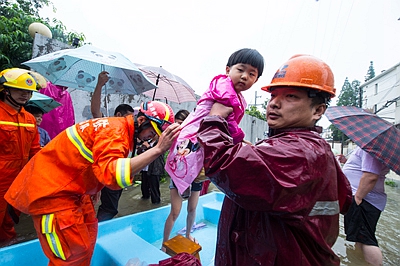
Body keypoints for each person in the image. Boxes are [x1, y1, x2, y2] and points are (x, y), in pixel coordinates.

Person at [197, 54, 353, 265]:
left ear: (317, 110)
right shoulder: (302, 146)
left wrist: (214, 120)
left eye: (291, 97)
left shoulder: (300, 151)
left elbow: (223, 166)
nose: (274, 104)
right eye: (273, 96)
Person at [5, 100, 180, 265]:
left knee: (88, 238)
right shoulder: (115, 132)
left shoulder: (118, 129)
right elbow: (113, 175)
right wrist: (158, 150)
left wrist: (94, 186)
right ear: (141, 120)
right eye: (151, 133)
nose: (149, 139)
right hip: (53, 194)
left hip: (74, 189)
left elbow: (92, 161)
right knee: (70, 254)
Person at [165, 48, 264, 196]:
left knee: (194, 159)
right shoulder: (225, 89)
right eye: (241, 70)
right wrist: (239, 139)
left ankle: (186, 184)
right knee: (188, 155)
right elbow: (230, 122)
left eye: (251, 74)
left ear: (256, 80)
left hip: (205, 128)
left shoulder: (237, 96)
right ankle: (183, 184)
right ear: (228, 70)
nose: (244, 76)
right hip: (197, 127)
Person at [0, 68, 41, 246]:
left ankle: (8, 249)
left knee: (10, 217)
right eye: (20, 90)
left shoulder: (30, 119)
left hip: (19, 178)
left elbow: (35, 151)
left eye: (28, 92)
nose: (25, 95)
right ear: (5, 90)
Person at [91, 71, 136, 221]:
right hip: (105, 169)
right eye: (127, 117)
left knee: (111, 206)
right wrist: (99, 85)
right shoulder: (107, 125)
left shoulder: (129, 132)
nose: (131, 122)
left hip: (118, 173)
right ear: (118, 115)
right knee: (106, 207)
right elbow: (95, 111)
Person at [162, 109, 204, 251]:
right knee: (175, 212)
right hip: (178, 176)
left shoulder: (197, 134)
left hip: (195, 176)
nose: (180, 128)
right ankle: (164, 242)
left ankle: (188, 235)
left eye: (183, 124)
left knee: (192, 208)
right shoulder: (175, 138)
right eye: (178, 124)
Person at [342, 146, 390, 265]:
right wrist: (347, 160)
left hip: (364, 200)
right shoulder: (374, 148)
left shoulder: (373, 148)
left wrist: (357, 198)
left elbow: (371, 176)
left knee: (367, 240)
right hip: (366, 199)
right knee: (360, 238)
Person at [137, 134, 164, 204]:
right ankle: (144, 203)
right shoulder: (147, 141)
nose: (151, 135)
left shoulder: (160, 142)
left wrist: (148, 147)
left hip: (155, 169)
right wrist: (140, 147)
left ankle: (156, 204)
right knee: (144, 188)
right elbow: (139, 152)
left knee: (154, 189)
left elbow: (158, 153)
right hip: (145, 168)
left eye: (153, 132)